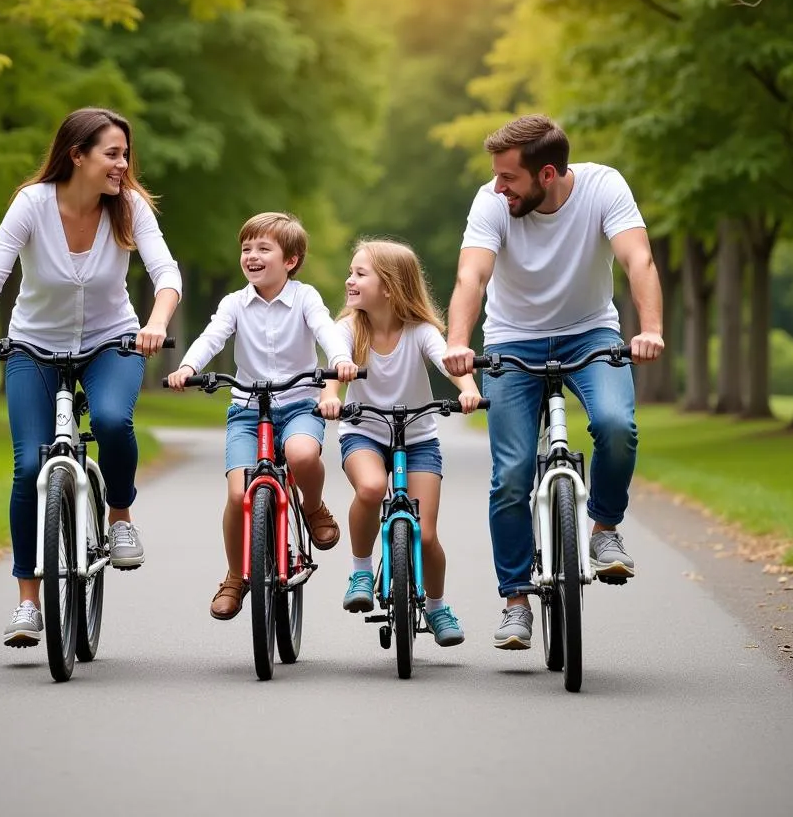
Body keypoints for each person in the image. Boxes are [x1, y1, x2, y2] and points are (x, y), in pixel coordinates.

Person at [0, 107, 181, 647]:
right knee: (28, 465)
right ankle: (28, 604)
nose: (122, 164)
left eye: (126, 154)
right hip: (33, 346)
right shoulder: (32, 204)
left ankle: (120, 515)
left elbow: (165, 272)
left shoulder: (128, 206)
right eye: (112, 153)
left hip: (114, 341)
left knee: (109, 420)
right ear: (76, 155)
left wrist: (155, 323)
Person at [442, 114, 663, 650]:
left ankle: (604, 529)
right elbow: (472, 274)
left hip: (590, 335)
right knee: (512, 474)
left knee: (615, 425)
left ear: (546, 174)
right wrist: (457, 340)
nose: (498, 187)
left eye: (508, 178)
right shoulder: (491, 202)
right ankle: (516, 599)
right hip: (513, 340)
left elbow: (638, 259)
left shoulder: (604, 186)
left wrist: (650, 329)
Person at [166, 212, 358, 620]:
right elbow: (212, 335)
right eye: (246, 248)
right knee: (239, 494)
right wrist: (187, 367)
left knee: (303, 454)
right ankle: (236, 575)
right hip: (248, 411)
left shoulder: (305, 298)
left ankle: (313, 505)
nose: (251, 256)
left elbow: (326, 330)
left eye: (263, 249)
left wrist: (340, 359)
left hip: (298, 404)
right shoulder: (235, 303)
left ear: (290, 260)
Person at [318, 240, 482, 647]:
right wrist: (330, 396)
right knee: (372, 488)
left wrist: (467, 388)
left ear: (389, 287)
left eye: (360, 274)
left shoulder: (420, 332)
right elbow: (337, 366)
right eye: (351, 272)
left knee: (425, 535)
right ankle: (360, 568)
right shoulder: (348, 330)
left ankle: (438, 605)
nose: (349, 280)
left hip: (418, 437)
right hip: (363, 431)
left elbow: (447, 359)